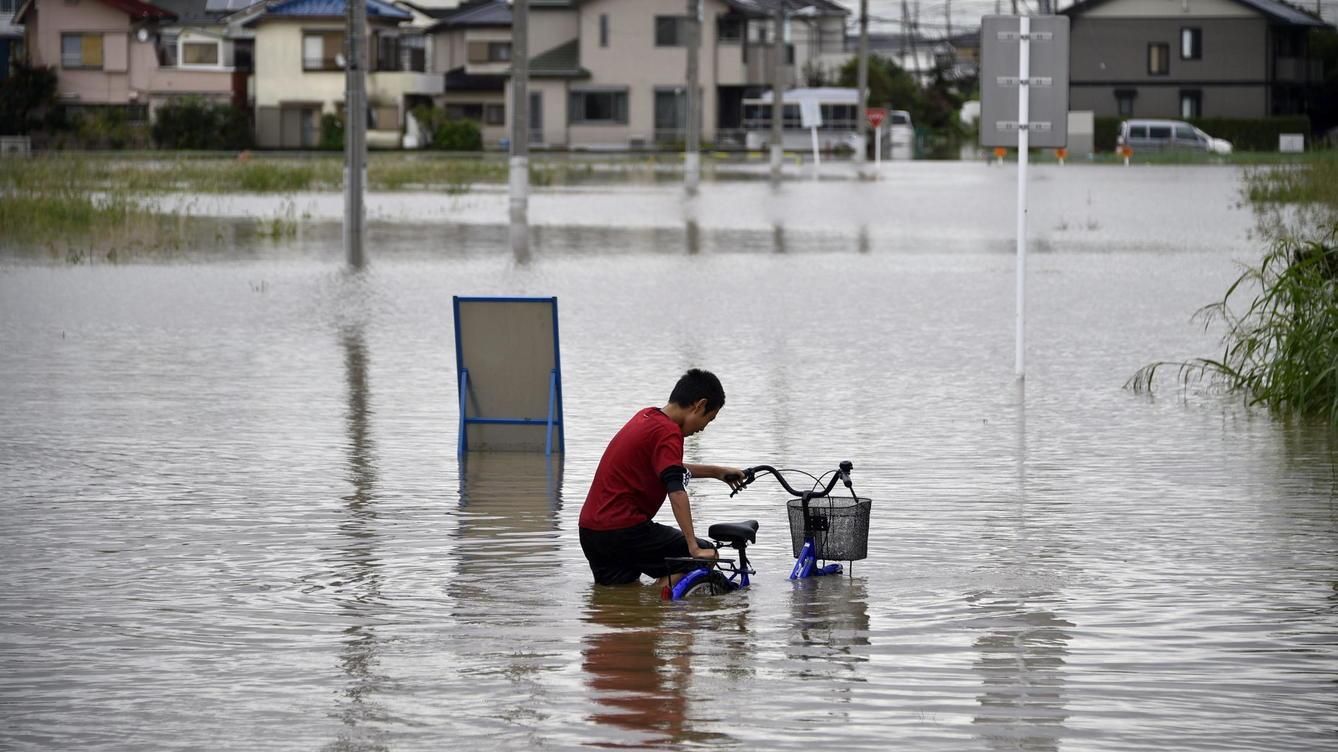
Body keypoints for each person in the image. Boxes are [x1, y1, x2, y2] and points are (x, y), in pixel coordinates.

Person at [578, 369, 746, 588]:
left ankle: (643, 609)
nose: (703, 428)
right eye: (709, 419)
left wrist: (716, 472)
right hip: (624, 530)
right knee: (707, 556)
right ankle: (657, 603)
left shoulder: (646, 417)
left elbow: (666, 467)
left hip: (592, 532)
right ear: (699, 405)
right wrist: (693, 547)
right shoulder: (669, 432)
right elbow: (676, 490)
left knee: (621, 600)